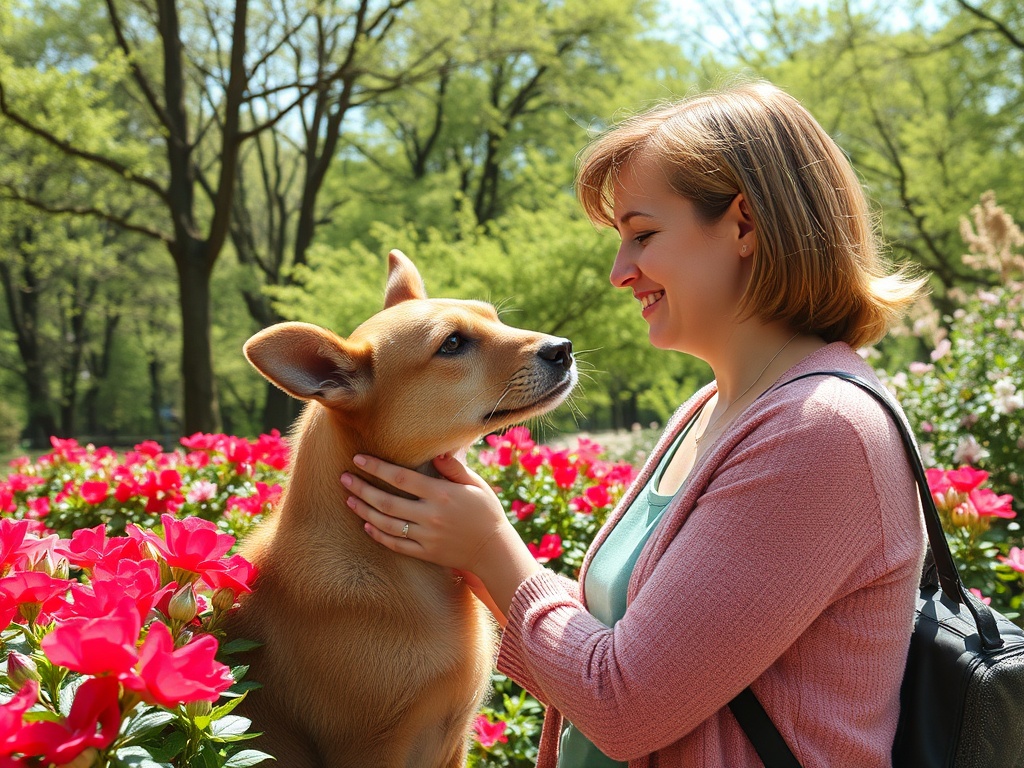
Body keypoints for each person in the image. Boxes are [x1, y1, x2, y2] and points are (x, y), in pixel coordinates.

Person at [340, 80, 928, 767]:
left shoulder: (822, 432)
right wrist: (461, 544)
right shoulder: (713, 409)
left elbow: (624, 702)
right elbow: (638, 642)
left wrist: (490, 552)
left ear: (744, 224)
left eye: (642, 235)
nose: (621, 272)